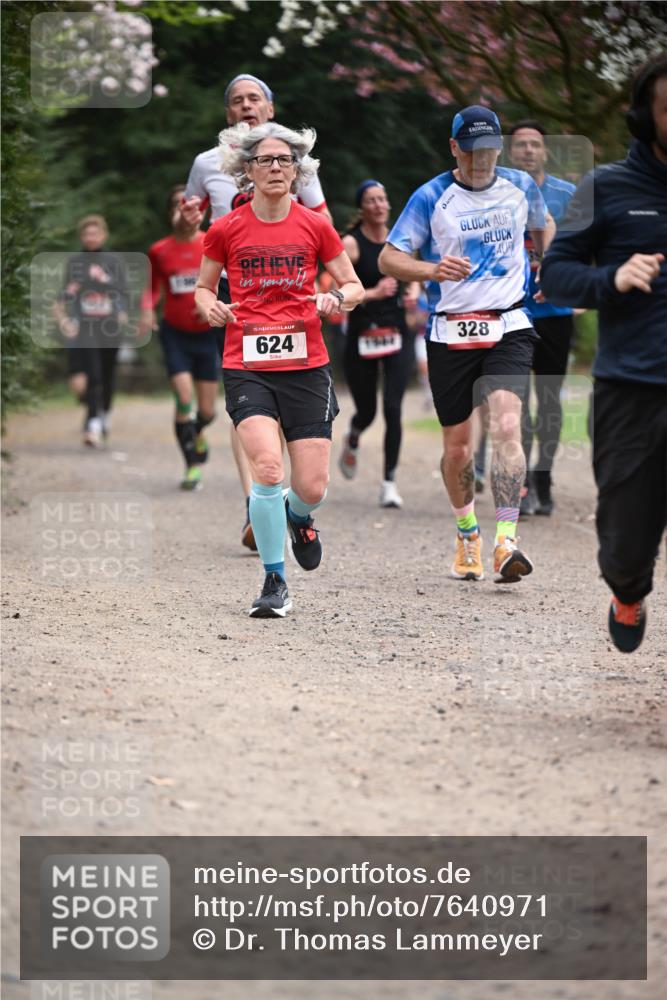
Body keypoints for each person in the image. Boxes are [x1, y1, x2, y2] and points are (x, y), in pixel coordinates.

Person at [379, 105, 555, 583]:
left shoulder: (521, 186)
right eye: (473, 150)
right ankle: (467, 532)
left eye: (490, 149)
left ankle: (506, 541)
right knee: (457, 447)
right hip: (451, 329)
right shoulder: (431, 196)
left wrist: (542, 261)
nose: (482, 159)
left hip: (509, 323)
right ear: (455, 147)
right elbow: (390, 258)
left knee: (506, 423)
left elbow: (543, 226)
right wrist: (432, 269)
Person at [194, 122, 363, 618]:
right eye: (264, 160)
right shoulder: (225, 229)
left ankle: (300, 516)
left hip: (307, 364)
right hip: (247, 363)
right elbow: (204, 288)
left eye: (284, 161)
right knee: (267, 469)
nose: (274, 167)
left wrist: (335, 297)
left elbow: (352, 285)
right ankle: (274, 580)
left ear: (297, 171)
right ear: (247, 172)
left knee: (311, 485)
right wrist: (210, 306)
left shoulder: (315, 225)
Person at [540, 54, 667, 653]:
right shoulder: (606, 187)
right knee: (627, 544)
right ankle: (627, 589)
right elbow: (557, 275)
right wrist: (611, 279)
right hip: (631, 391)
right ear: (645, 117)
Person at [184, 74, 332, 548]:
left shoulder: (292, 157)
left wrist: (326, 288)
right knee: (246, 406)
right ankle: (257, 500)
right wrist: (189, 225)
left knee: (304, 455)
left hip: (288, 293)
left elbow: (321, 224)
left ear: (270, 106)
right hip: (234, 299)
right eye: (236, 100)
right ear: (229, 112)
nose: (245, 105)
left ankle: (286, 501)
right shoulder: (207, 162)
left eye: (254, 98)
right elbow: (195, 221)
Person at [508, 120, 578, 516]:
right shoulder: (498, 193)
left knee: (549, 399)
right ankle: (523, 483)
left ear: (545, 151)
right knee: (515, 401)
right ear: (512, 152)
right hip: (513, 308)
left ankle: (544, 478)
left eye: (535, 145)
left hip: (555, 310)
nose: (529, 151)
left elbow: (581, 246)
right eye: (521, 145)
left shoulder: (566, 195)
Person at [338, 180, 416, 508]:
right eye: (372, 200)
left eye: (383, 198)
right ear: (363, 208)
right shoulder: (351, 245)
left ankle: (389, 482)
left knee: (394, 408)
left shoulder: (403, 240)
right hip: (362, 335)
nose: (379, 205)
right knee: (368, 410)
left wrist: (413, 292)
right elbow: (337, 291)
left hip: (397, 332)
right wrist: (373, 293)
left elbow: (414, 276)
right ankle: (354, 434)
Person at [141, 186, 219, 491]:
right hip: (175, 333)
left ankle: (198, 431)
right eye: (176, 204)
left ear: (200, 211)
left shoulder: (211, 244)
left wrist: (211, 305)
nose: (181, 210)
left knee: (208, 411)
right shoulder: (159, 250)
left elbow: (226, 283)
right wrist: (147, 310)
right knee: (184, 399)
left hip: (207, 335)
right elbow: (151, 288)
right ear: (170, 212)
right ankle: (192, 466)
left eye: (186, 204)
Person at [52, 215, 128, 447]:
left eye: (95, 233)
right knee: (93, 374)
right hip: (86, 326)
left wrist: (105, 283)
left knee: (107, 374)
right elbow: (63, 296)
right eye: (86, 234)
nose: (91, 237)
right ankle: (93, 422)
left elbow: (123, 293)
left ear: (103, 235)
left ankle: (104, 413)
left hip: (110, 326)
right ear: (81, 237)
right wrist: (64, 320)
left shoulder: (114, 262)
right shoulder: (75, 263)